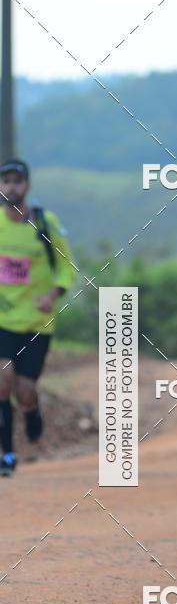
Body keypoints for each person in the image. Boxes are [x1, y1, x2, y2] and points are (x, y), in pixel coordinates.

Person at [0, 159, 77, 476]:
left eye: (17, 181)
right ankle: (7, 454)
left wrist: (53, 294)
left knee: (24, 391)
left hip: (37, 323)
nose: (11, 187)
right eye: (6, 181)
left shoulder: (45, 223)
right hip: (3, 319)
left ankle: (32, 411)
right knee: (2, 382)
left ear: (27, 186)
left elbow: (67, 267)